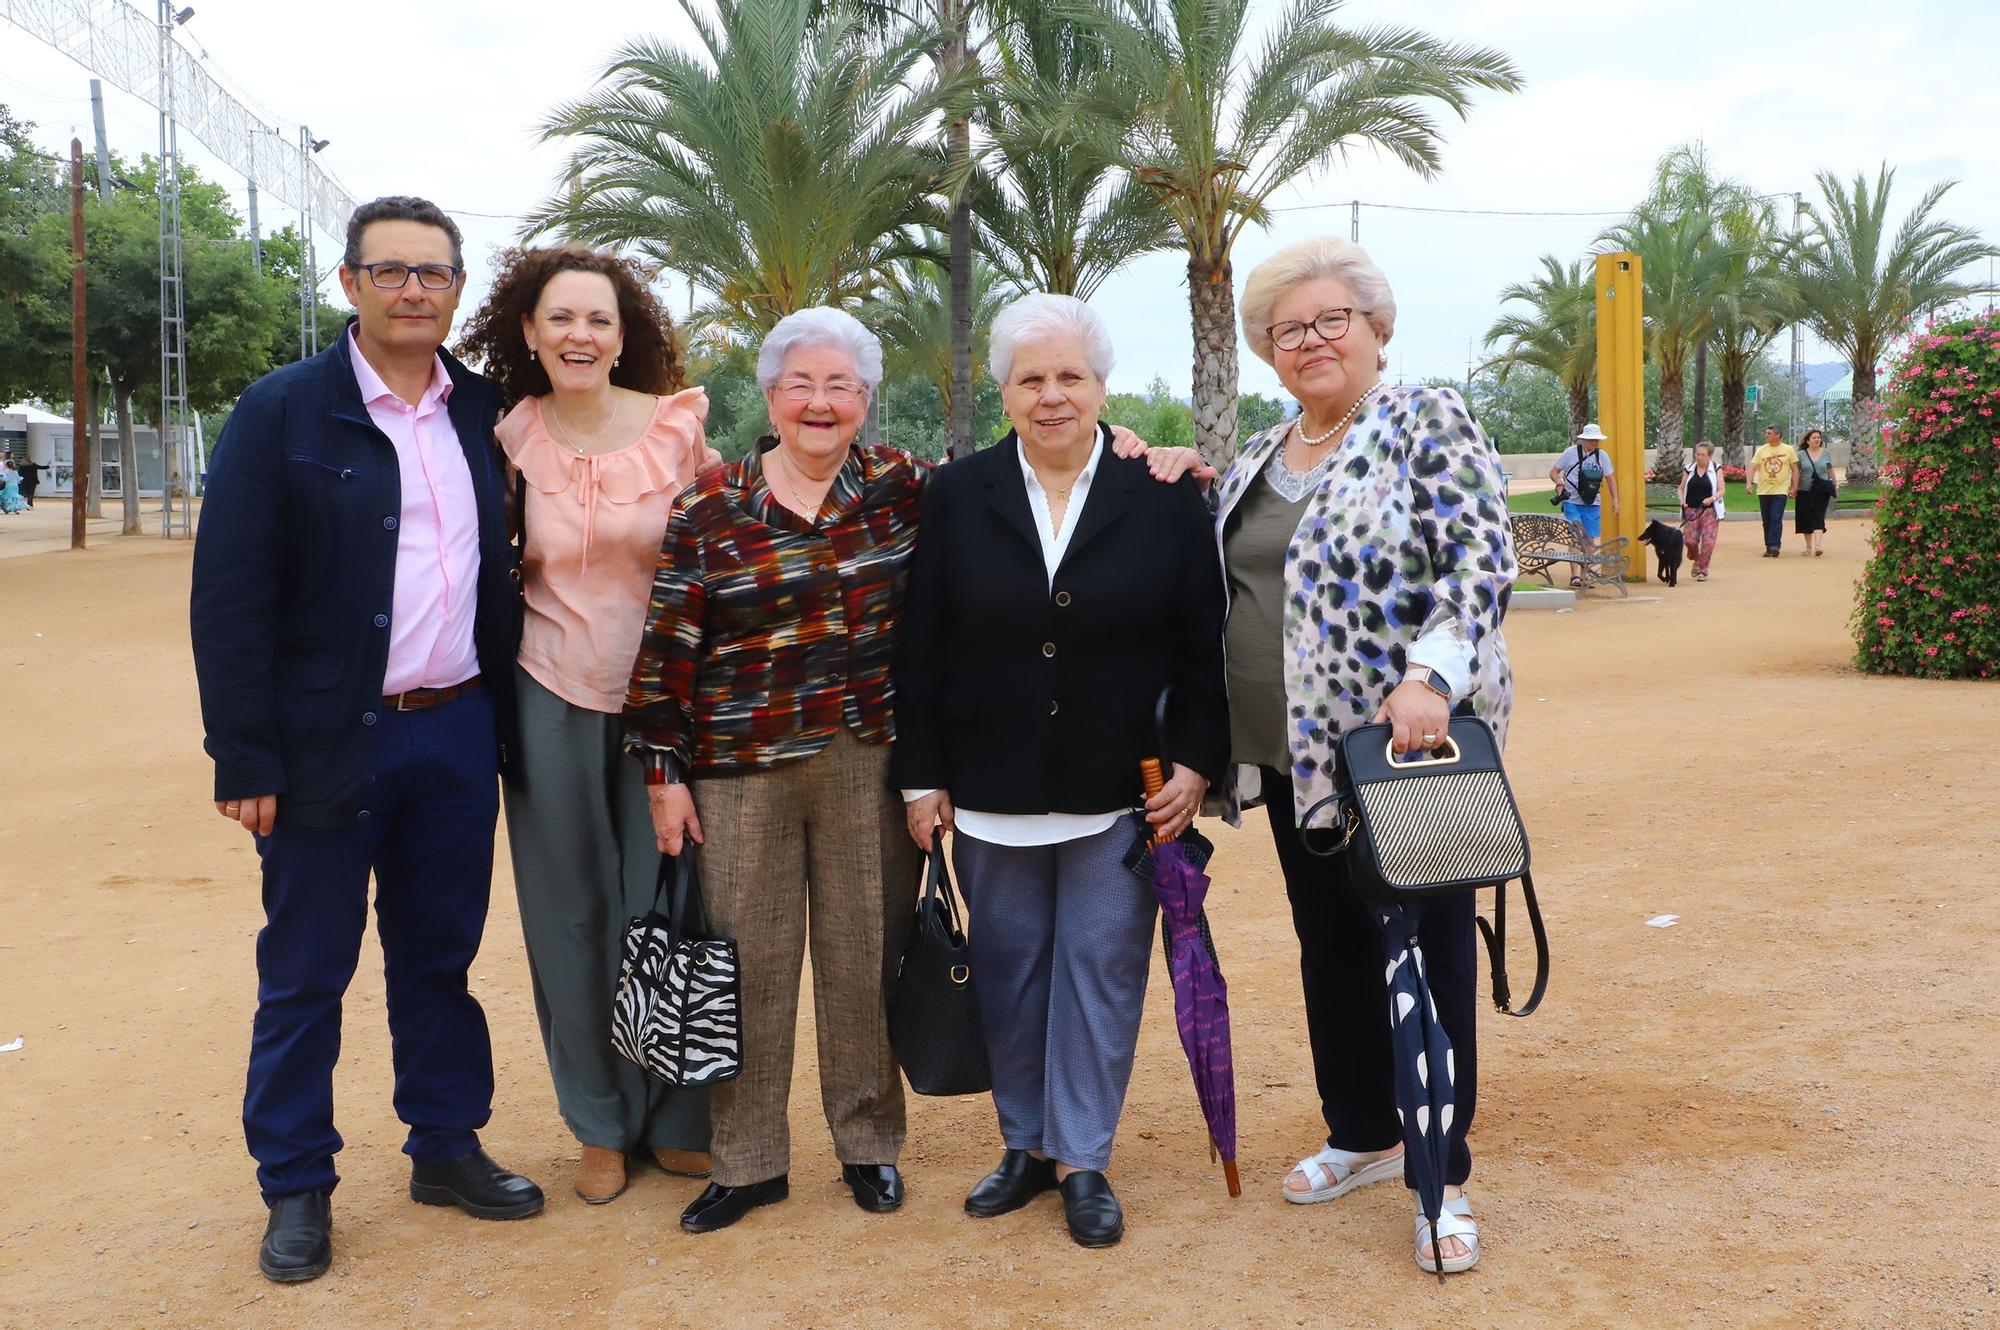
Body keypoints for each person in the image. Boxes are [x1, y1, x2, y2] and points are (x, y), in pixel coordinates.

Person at [190, 196, 543, 1286]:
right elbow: (230, 596)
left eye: (432, 274)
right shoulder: (282, 411)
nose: (411, 291)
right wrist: (244, 753)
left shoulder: (484, 414)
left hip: (453, 734)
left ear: (454, 289)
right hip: (322, 745)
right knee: (305, 971)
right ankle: (296, 1183)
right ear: (348, 283)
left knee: (439, 959)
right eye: (388, 271)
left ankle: (444, 1145)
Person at [893, 293, 1228, 1250]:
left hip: (1121, 786)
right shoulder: (955, 494)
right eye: (1031, 378)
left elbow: (1200, 642)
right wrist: (923, 779)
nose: (1051, 396)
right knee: (1008, 973)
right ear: (1003, 390)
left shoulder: (1162, 493)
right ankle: (1025, 1146)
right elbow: (922, 647)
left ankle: (1084, 1159)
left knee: (1101, 974)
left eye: (1069, 377)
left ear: (1101, 387)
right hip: (988, 781)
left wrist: (1199, 761)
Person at [1220, 236, 1515, 1274]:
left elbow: (1480, 559)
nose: (1308, 341)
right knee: (1330, 952)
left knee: (1425, 965)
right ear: (1264, 349)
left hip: (1401, 757)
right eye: (1286, 329)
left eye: (1328, 320)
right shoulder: (1260, 452)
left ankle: (1444, 1175)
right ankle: (1360, 1132)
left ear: (1374, 329)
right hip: (1290, 760)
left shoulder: (1420, 419)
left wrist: (1431, 675)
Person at [455, 246, 720, 1207]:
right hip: (547, 690)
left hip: (665, 702)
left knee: (675, 901)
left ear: (625, 333)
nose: (580, 335)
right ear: (528, 331)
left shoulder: (677, 429)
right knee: (569, 914)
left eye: (599, 319)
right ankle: (599, 1124)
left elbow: (721, 552)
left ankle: (682, 1119)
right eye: (560, 318)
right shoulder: (505, 434)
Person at [1549, 423, 1619, 572]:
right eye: (1591, 439)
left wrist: (1615, 500)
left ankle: (1585, 575)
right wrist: (1559, 484)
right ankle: (1574, 575)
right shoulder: (1570, 453)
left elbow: (1610, 478)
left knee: (1589, 539)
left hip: (1593, 503)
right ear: (1583, 440)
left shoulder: (1603, 456)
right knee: (1576, 536)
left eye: (1596, 440)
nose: (1594, 442)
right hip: (1572, 501)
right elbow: (1554, 472)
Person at [1679, 440, 1725, 582]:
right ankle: (1696, 559)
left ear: (1709, 456)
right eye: (1697, 454)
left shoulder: (1716, 469)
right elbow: (1681, 488)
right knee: (1689, 541)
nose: (1699, 457)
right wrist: (1682, 501)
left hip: (1709, 511)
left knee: (1708, 542)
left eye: (1703, 455)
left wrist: (1711, 498)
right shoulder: (1689, 468)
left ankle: (1703, 570)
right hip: (1691, 511)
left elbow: (1722, 490)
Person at [1749, 424, 1798, 557]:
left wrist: (1794, 487)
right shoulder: (1761, 450)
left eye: (1769, 434)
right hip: (1764, 490)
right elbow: (1753, 467)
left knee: (1776, 517)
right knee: (1767, 520)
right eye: (1766, 433)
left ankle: (1775, 545)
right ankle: (1768, 546)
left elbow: (1794, 469)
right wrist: (1749, 483)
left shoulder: (1788, 449)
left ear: (1778, 435)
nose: (1766, 435)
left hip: (1781, 490)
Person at [1794, 428, 1835, 557]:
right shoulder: (1801, 454)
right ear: (1808, 440)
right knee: (1805, 516)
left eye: (1819, 437)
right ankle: (1808, 546)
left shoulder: (1826, 453)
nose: (1817, 440)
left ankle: (1818, 545)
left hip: (1821, 490)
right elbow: (1796, 472)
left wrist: (1834, 486)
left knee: (1818, 515)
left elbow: (1830, 470)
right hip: (1804, 490)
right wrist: (1793, 487)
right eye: (1814, 438)